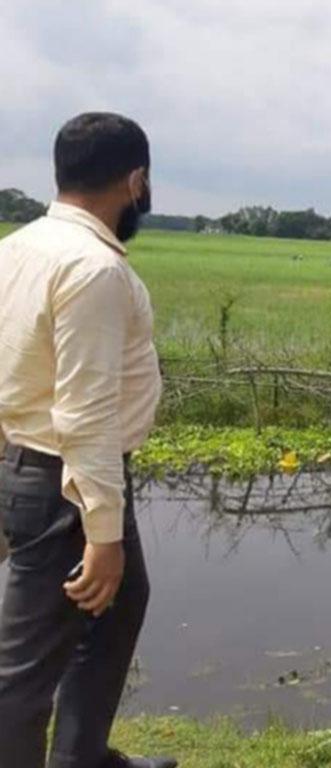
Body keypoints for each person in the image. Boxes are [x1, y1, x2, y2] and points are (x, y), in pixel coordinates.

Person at [0, 114, 175, 768]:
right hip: (66, 487)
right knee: (23, 673)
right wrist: (101, 533)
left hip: (37, 471)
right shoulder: (94, 269)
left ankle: (83, 756)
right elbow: (85, 411)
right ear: (137, 180)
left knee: (122, 607)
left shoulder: (16, 249)